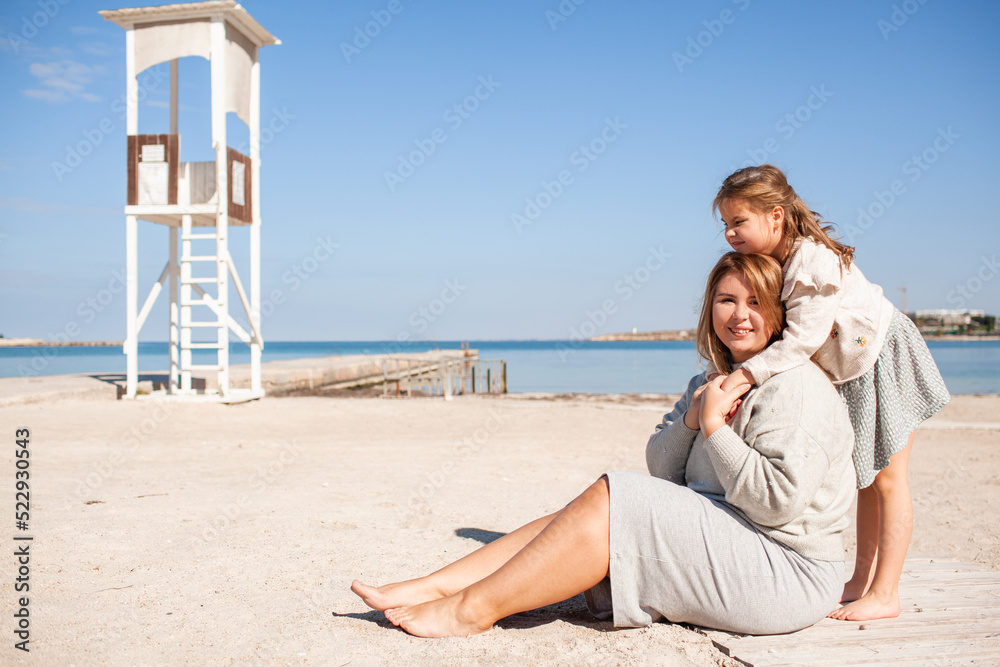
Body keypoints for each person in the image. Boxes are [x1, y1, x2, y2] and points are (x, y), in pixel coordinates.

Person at [350, 252, 857, 638]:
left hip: (788, 571)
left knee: (617, 495)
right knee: (578, 515)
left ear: (781, 314)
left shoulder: (794, 387)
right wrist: (694, 416)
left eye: (755, 303)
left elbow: (778, 503)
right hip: (737, 539)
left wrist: (715, 430)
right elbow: (663, 469)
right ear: (710, 309)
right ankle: (435, 586)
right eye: (727, 300)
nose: (739, 315)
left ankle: (470, 610)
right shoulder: (712, 379)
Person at [712, 164, 950, 621]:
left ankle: (887, 593)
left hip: (881, 356)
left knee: (888, 479)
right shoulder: (777, 262)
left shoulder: (811, 260)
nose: (729, 233)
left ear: (775, 215)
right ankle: (860, 580)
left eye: (738, 222)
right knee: (863, 477)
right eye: (725, 224)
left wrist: (744, 378)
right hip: (851, 370)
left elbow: (801, 339)